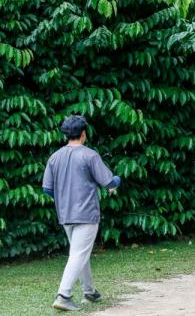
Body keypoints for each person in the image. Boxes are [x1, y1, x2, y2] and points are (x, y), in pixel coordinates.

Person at [42, 115, 121, 311]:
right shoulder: (90, 155)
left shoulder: (55, 156)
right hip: (86, 213)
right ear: (83, 133)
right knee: (78, 253)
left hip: (65, 213)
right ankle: (63, 295)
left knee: (79, 252)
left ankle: (89, 292)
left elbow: (47, 189)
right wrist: (117, 180)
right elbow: (109, 182)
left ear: (66, 134)